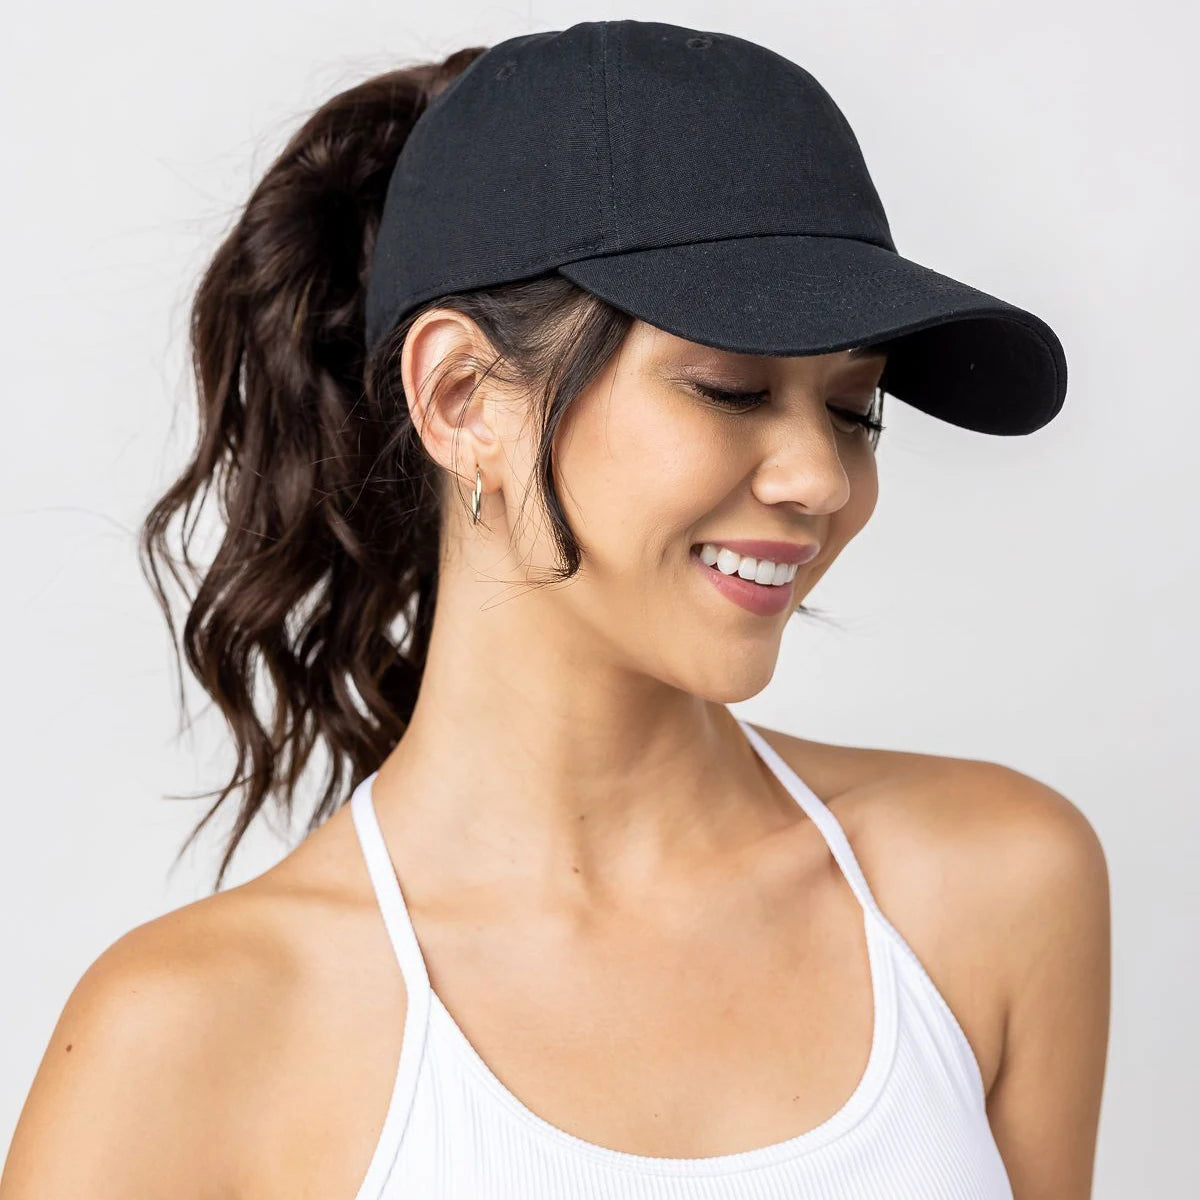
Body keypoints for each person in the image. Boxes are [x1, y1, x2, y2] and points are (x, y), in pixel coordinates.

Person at [0, 19, 1110, 1200]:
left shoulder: (991, 889)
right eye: (732, 388)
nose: (822, 480)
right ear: (461, 396)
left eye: (853, 408)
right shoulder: (190, 1041)